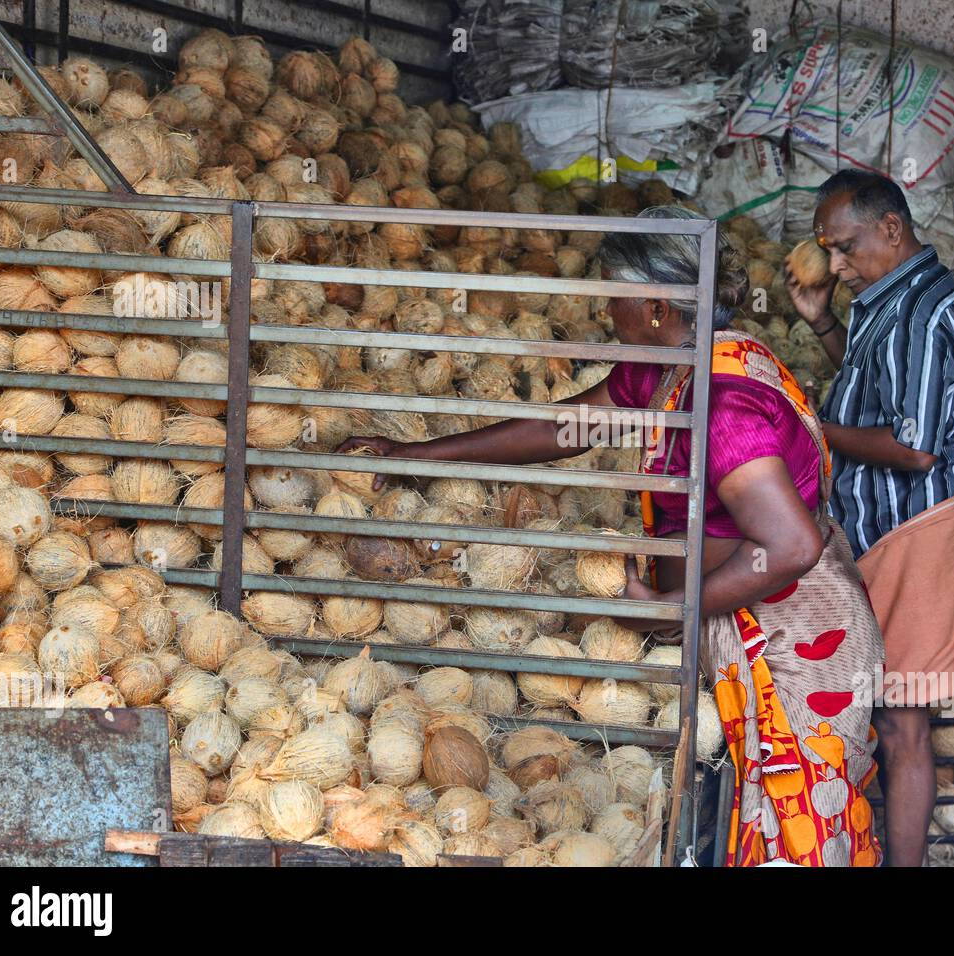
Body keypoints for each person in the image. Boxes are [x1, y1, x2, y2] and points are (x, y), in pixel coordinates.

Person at [340, 206, 884, 867]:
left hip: (800, 646)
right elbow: (568, 428)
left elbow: (791, 547)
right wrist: (420, 456)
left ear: (655, 306)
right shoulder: (670, 369)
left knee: (797, 836)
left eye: (613, 297)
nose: (605, 311)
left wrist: (672, 609)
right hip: (746, 628)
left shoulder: (723, 401)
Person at [784, 169, 954, 867]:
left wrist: (806, 425)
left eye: (844, 248)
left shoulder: (928, 311)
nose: (836, 266)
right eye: (829, 252)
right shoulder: (885, 299)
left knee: (903, 729)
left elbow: (916, 447)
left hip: (915, 537)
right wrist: (824, 323)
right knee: (871, 715)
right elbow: (878, 397)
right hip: (870, 531)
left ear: (891, 229)